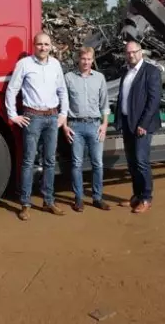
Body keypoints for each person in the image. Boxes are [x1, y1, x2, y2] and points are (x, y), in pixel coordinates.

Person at [5, 31, 68, 221]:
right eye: (40, 44)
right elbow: (12, 89)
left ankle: (48, 201)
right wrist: (13, 115)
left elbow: (62, 90)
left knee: (49, 161)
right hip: (32, 117)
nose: (43, 48)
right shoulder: (24, 64)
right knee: (28, 161)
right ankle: (25, 204)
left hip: (52, 117)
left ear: (50, 46)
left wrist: (63, 114)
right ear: (34, 46)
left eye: (46, 44)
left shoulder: (56, 64)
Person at [114, 40, 162, 214]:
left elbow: (154, 100)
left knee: (142, 162)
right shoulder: (125, 72)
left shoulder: (151, 72)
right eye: (128, 53)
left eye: (134, 52)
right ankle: (136, 195)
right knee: (132, 162)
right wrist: (119, 120)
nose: (131, 55)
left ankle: (146, 198)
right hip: (127, 122)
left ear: (141, 52)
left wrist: (143, 124)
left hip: (142, 125)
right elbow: (122, 98)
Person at [62, 46, 111, 212]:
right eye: (83, 59)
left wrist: (104, 125)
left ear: (93, 59)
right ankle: (78, 199)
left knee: (98, 163)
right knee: (76, 163)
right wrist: (65, 126)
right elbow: (64, 104)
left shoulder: (99, 78)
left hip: (95, 125)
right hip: (75, 126)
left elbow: (105, 104)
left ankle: (97, 198)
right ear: (78, 59)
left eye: (89, 59)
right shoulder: (68, 78)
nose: (86, 62)